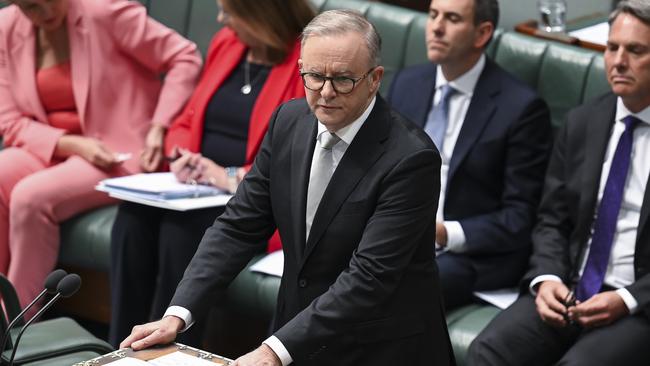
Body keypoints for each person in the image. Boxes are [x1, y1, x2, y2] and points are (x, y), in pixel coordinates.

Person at [119, 9, 455, 366]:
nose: (325, 92)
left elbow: (369, 278)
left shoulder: (410, 159)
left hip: (378, 348)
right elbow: (239, 225)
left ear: (374, 79)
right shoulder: (288, 122)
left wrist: (272, 351)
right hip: (297, 335)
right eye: (314, 76)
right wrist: (178, 314)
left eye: (342, 79)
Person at [108, 0, 314, 348]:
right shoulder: (227, 43)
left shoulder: (304, 61)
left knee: (181, 231)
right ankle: (122, 347)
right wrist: (180, 155)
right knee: (131, 219)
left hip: (253, 199)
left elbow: (296, 155)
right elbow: (188, 118)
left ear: (261, 12)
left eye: (230, 11)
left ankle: (166, 351)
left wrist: (230, 175)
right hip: (196, 187)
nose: (221, 19)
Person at [468, 1, 650, 364]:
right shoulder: (583, 122)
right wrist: (548, 278)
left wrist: (627, 299)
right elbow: (552, 218)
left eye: (636, 50)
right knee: (488, 351)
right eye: (612, 47)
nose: (618, 61)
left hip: (638, 304)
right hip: (571, 288)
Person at [0, 0, 200, 314]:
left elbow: (184, 57)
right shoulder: (6, 27)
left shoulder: (105, 11)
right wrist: (73, 144)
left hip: (115, 151)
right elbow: (10, 120)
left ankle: (15, 323)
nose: (46, 13)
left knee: (30, 197)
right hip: (53, 146)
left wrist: (160, 126)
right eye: (30, 7)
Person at [387, 0, 551, 310]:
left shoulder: (521, 109)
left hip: (466, 254)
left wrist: (443, 233)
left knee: (398, 288)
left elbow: (520, 216)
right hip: (396, 235)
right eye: (433, 15)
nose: (435, 27)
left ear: (482, 33)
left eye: (451, 18)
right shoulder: (406, 84)